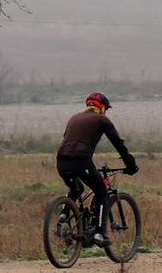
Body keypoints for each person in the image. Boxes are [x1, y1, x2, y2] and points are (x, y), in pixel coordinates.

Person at [56, 92, 138, 245]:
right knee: (101, 191)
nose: (106, 112)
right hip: (81, 162)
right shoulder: (102, 119)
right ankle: (99, 234)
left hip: (61, 162)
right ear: (102, 107)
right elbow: (119, 144)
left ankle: (63, 217)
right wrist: (131, 165)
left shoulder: (74, 118)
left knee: (76, 189)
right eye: (106, 109)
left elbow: (69, 138)